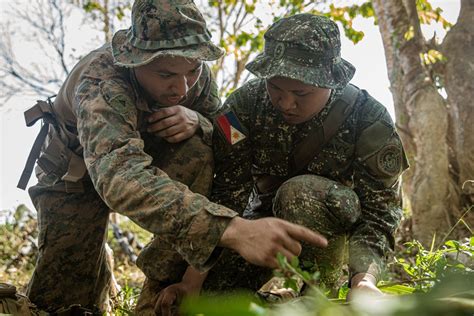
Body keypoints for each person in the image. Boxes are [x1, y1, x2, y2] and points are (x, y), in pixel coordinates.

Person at [18, 1, 327, 314]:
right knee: (59, 306)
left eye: (191, 71)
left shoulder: (195, 74)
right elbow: (119, 177)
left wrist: (202, 122)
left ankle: (158, 299)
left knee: (197, 152)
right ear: (135, 61)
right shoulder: (102, 82)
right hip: (77, 176)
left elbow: (228, 127)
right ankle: (94, 259)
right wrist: (231, 230)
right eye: (165, 74)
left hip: (149, 165)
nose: (181, 87)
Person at [142, 13, 409, 315]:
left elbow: (380, 213)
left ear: (331, 82)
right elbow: (228, 193)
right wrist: (193, 281)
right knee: (209, 298)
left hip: (338, 231)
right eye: (276, 89)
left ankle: (320, 296)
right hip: (262, 228)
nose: (285, 103)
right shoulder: (238, 111)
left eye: (301, 93)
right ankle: (277, 303)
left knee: (299, 191)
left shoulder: (370, 119)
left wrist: (364, 280)